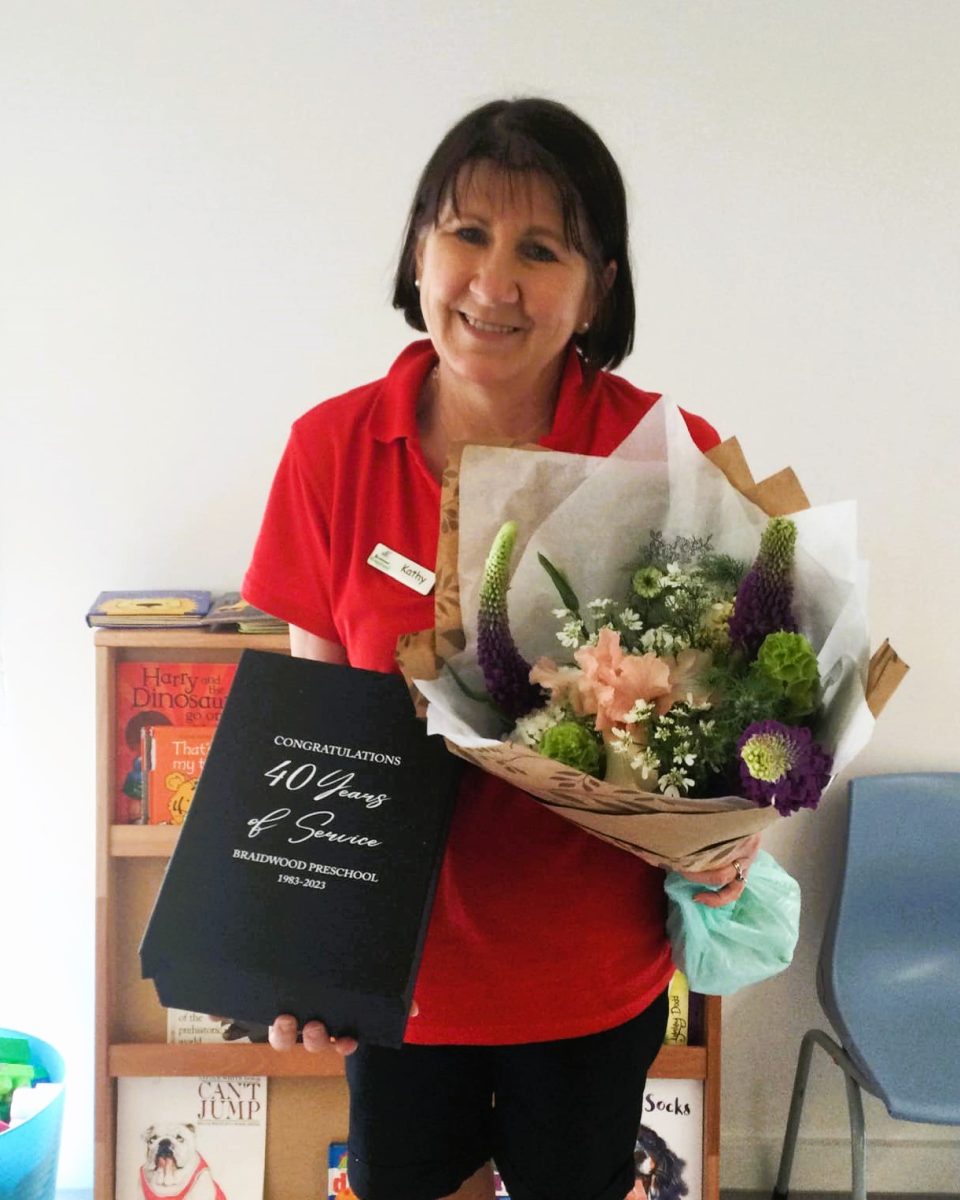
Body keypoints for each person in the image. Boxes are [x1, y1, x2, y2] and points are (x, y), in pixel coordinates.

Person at [242, 97, 759, 1200]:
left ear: (598, 286)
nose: (494, 281)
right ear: (419, 247)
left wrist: (732, 830)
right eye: (466, 234)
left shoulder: (663, 455)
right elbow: (311, 729)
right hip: (402, 975)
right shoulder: (332, 451)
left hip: (590, 973)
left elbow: (740, 708)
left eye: (542, 249)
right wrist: (296, 945)